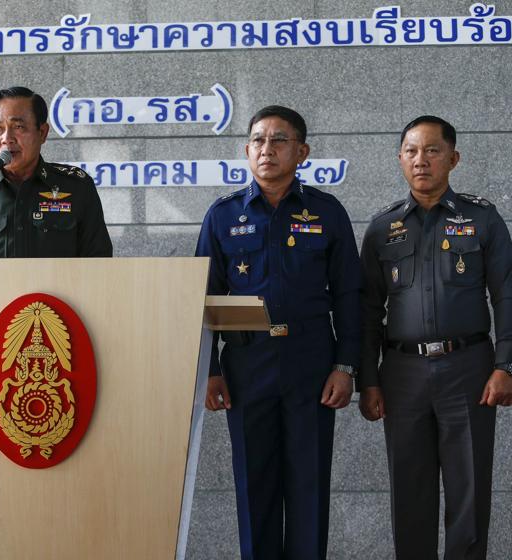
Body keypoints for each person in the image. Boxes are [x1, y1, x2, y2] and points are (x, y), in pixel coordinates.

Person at [196, 106, 360, 560]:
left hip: (311, 362)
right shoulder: (223, 215)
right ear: (247, 150)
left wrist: (346, 366)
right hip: (248, 364)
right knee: (255, 483)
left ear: (302, 151)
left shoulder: (326, 211)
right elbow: (201, 297)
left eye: (279, 140)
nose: (266, 149)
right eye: (258, 140)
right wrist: (208, 371)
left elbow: (350, 294)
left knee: (308, 483)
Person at [359, 115, 512, 559]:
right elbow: (367, 311)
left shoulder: (482, 218)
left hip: (468, 368)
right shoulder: (382, 228)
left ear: (453, 158)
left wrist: (505, 366)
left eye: (431, 150)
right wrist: (369, 380)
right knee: (409, 490)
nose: (420, 160)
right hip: (402, 374)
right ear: (400, 159)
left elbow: (506, 294)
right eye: (410, 151)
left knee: (468, 489)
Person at [0, 86, 112, 258]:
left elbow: (98, 263)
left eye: (18, 127)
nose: (6, 139)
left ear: (42, 133)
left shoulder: (76, 187)